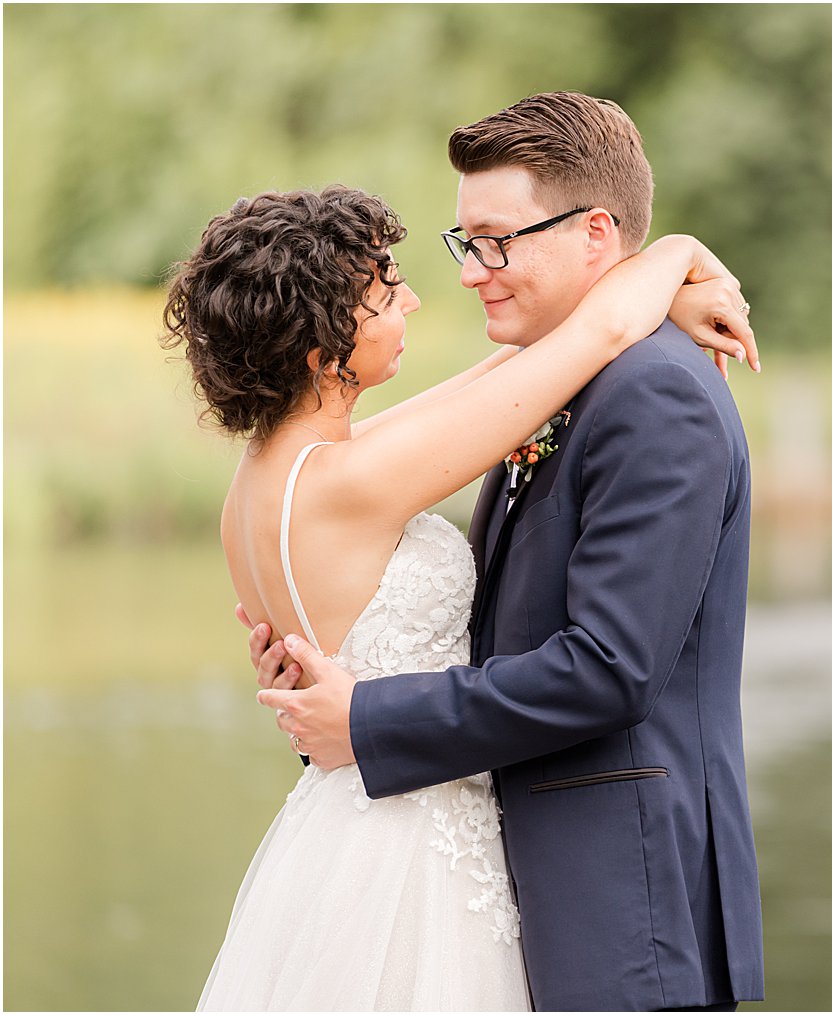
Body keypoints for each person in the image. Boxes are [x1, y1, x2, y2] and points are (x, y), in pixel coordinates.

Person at [168, 180, 756, 1010]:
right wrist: (678, 253)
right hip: (414, 845)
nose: (409, 295)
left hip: (344, 821)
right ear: (319, 344)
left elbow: (515, 370)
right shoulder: (357, 477)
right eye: (383, 290)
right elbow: (595, 334)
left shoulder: (263, 482)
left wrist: (659, 300)